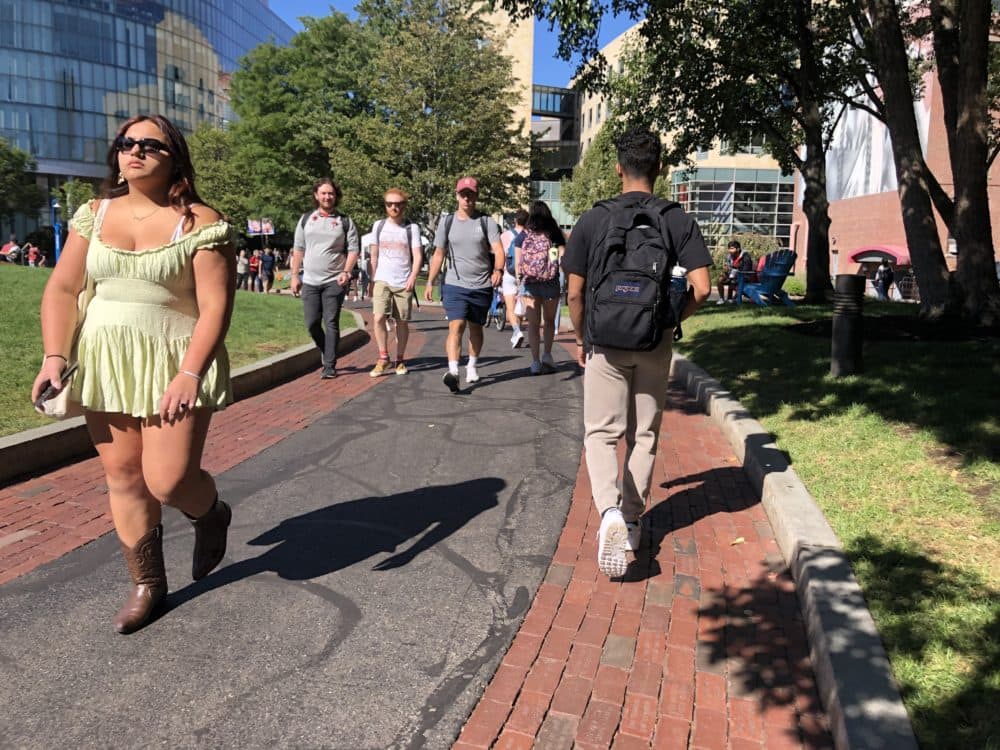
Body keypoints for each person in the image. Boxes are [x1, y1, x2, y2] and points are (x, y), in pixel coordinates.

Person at [30, 114, 235, 633]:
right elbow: (61, 289)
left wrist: (191, 373)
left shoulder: (201, 222)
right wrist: (55, 355)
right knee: (123, 476)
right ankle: (148, 585)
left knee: (167, 480)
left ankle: (210, 512)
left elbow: (215, 307)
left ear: (175, 159)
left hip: (176, 362)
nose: (135, 150)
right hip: (106, 360)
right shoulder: (93, 215)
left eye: (150, 144)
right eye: (126, 143)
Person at [564, 127, 712, 578]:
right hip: (654, 338)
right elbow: (702, 289)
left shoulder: (593, 219)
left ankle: (607, 510)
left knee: (602, 432)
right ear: (660, 168)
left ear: (617, 167)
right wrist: (671, 319)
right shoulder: (676, 218)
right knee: (643, 433)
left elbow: (574, 292)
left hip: (605, 342)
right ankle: (630, 519)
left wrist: (581, 336)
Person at [424, 177, 504, 392]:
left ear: (477, 196)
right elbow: (439, 253)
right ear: (457, 195)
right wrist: (430, 281)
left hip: (481, 284)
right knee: (456, 325)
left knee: (475, 327)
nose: (467, 198)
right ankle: (453, 371)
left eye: (471, 194)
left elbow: (498, 249)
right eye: (463, 194)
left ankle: (472, 364)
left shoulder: (486, 222)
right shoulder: (446, 222)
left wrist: (498, 270)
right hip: (454, 283)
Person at [290, 178, 360, 379]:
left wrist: (346, 272)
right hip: (310, 280)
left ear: (336, 196)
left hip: (334, 281)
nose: (327, 196)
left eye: (331, 193)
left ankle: (329, 365)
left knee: (331, 322)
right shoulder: (306, 219)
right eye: (323, 193)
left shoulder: (345, 222)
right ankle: (326, 349)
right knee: (312, 323)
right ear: (316, 195)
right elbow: (298, 248)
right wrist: (295, 275)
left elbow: (354, 250)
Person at [369, 188, 423, 377]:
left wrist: (413, 277)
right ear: (385, 206)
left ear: (404, 205)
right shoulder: (378, 226)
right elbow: (374, 254)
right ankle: (383, 358)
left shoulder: (411, 228)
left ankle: (400, 359)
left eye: (398, 204)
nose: (394, 207)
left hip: (403, 281)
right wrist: (373, 278)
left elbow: (417, 256)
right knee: (378, 317)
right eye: (390, 204)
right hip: (382, 279)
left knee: (401, 321)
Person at [515, 201, 565, 374]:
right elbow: (562, 257)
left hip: (530, 283)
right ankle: (547, 355)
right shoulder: (554, 233)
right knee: (549, 321)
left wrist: (518, 280)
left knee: (533, 325)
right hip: (551, 282)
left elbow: (518, 262)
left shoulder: (524, 234)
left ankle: (535, 362)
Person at [500, 209, 528, 348]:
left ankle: (516, 331)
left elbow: (501, 254)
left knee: (510, 307)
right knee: (521, 306)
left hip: (509, 272)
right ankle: (517, 332)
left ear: (515, 220)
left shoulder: (506, 235)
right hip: (524, 274)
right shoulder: (529, 236)